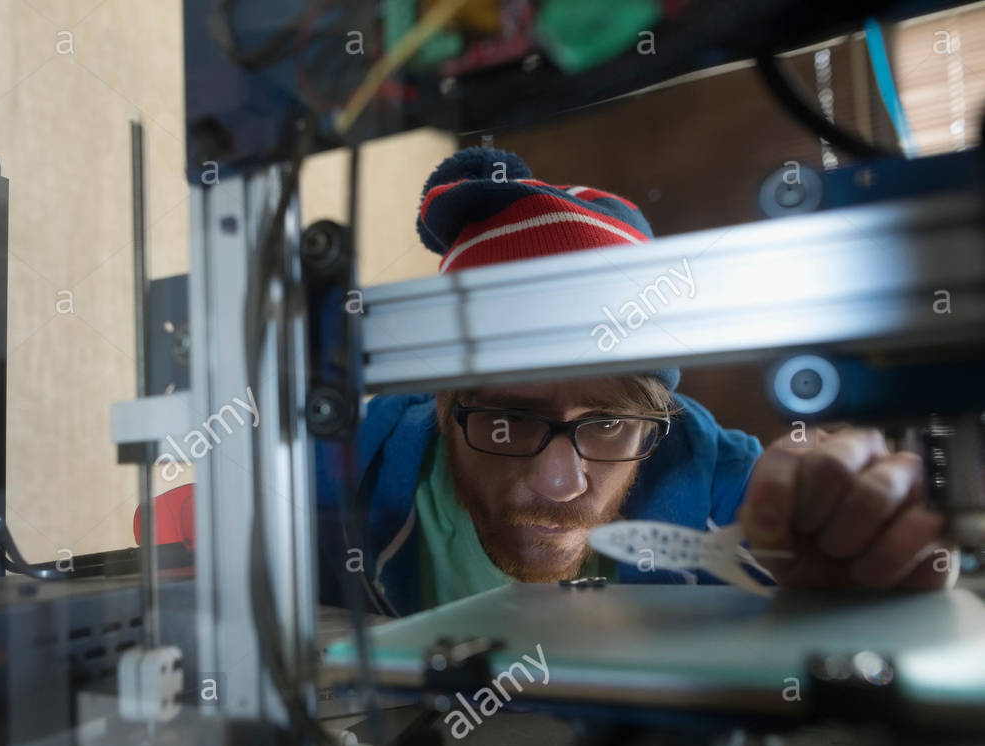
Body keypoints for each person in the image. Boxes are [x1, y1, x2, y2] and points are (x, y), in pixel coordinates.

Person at [315, 147, 955, 618]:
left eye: (609, 423)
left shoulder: (722, 487)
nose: (562, 485)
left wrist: (884, 563)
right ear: (442, 400)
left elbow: (846, 555)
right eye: (510, 420)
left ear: (661, 414)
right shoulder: (339, 472)